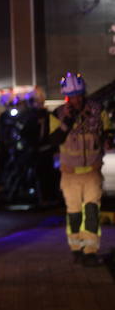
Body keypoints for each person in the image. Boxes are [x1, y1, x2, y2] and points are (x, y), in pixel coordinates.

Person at [48, 72, 110, 265]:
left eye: (79, 95)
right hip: (70, 174)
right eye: (72, 96)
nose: (76, 100)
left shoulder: (97, 110)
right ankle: (76, 248)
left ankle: (90, 251)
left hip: (92, 172)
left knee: (92, 211)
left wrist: (107, 139)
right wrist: (67, 121)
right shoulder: (57, 114)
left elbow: (107, 131)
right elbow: (53, 140)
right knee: (74, 213)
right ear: (66, 97)